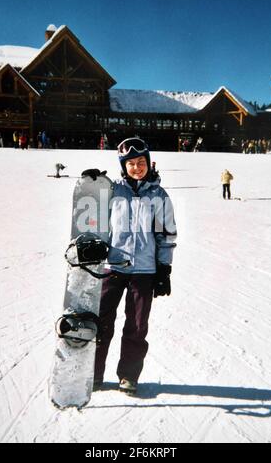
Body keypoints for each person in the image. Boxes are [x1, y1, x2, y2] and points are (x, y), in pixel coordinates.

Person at [84, 138, 177, 395]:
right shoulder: (114, 191)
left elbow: (166, 236)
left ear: (148, 163)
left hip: (144, 271)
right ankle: (93, 373)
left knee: (136, 326)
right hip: (113, 267)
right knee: (101, 322)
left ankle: (128, 375)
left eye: (141, 162)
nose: (136, 167)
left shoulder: (159, 196)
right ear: (124, 167)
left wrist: (164, 270)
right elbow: (93, 217)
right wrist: (92, 185)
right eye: (131, 164)